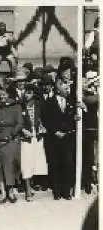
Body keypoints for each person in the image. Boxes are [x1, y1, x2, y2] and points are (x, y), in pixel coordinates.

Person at [41, 67, 77, 200]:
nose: (68, 90)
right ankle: (56, 191)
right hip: (53, 138)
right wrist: (55, 131)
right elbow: (45, 119)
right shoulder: (49, 102)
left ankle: (66, 190)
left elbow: (72, 117)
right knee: (54, 164)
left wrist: (73, 121)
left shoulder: (71, 102)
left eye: (68, 88)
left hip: (67, 138)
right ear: (58, 88)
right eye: (65, 88)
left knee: (67, 163)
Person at [0, 85, 23, 204]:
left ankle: (10, 191)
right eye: (1, 94)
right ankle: (3, 193)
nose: (2, 96)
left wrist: (12, 134)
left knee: (9, 166)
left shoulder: (16, 107)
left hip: (11, 139)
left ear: (10, 94)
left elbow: (20, 123)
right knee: (0, 166)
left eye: (4, 94)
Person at [20, 84, 48, 202]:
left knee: (36, 163)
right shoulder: (20, 106)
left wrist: (42, 127)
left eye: (30, 92)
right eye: (26, 92)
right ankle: (27, 191)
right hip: (25, 139)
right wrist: (22, 130)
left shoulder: (39, 105)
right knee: (26, 163)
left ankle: (32, 185)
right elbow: (17, 121)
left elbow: (44, 119)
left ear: (34, 94)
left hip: (37, 138)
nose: (27, 95)